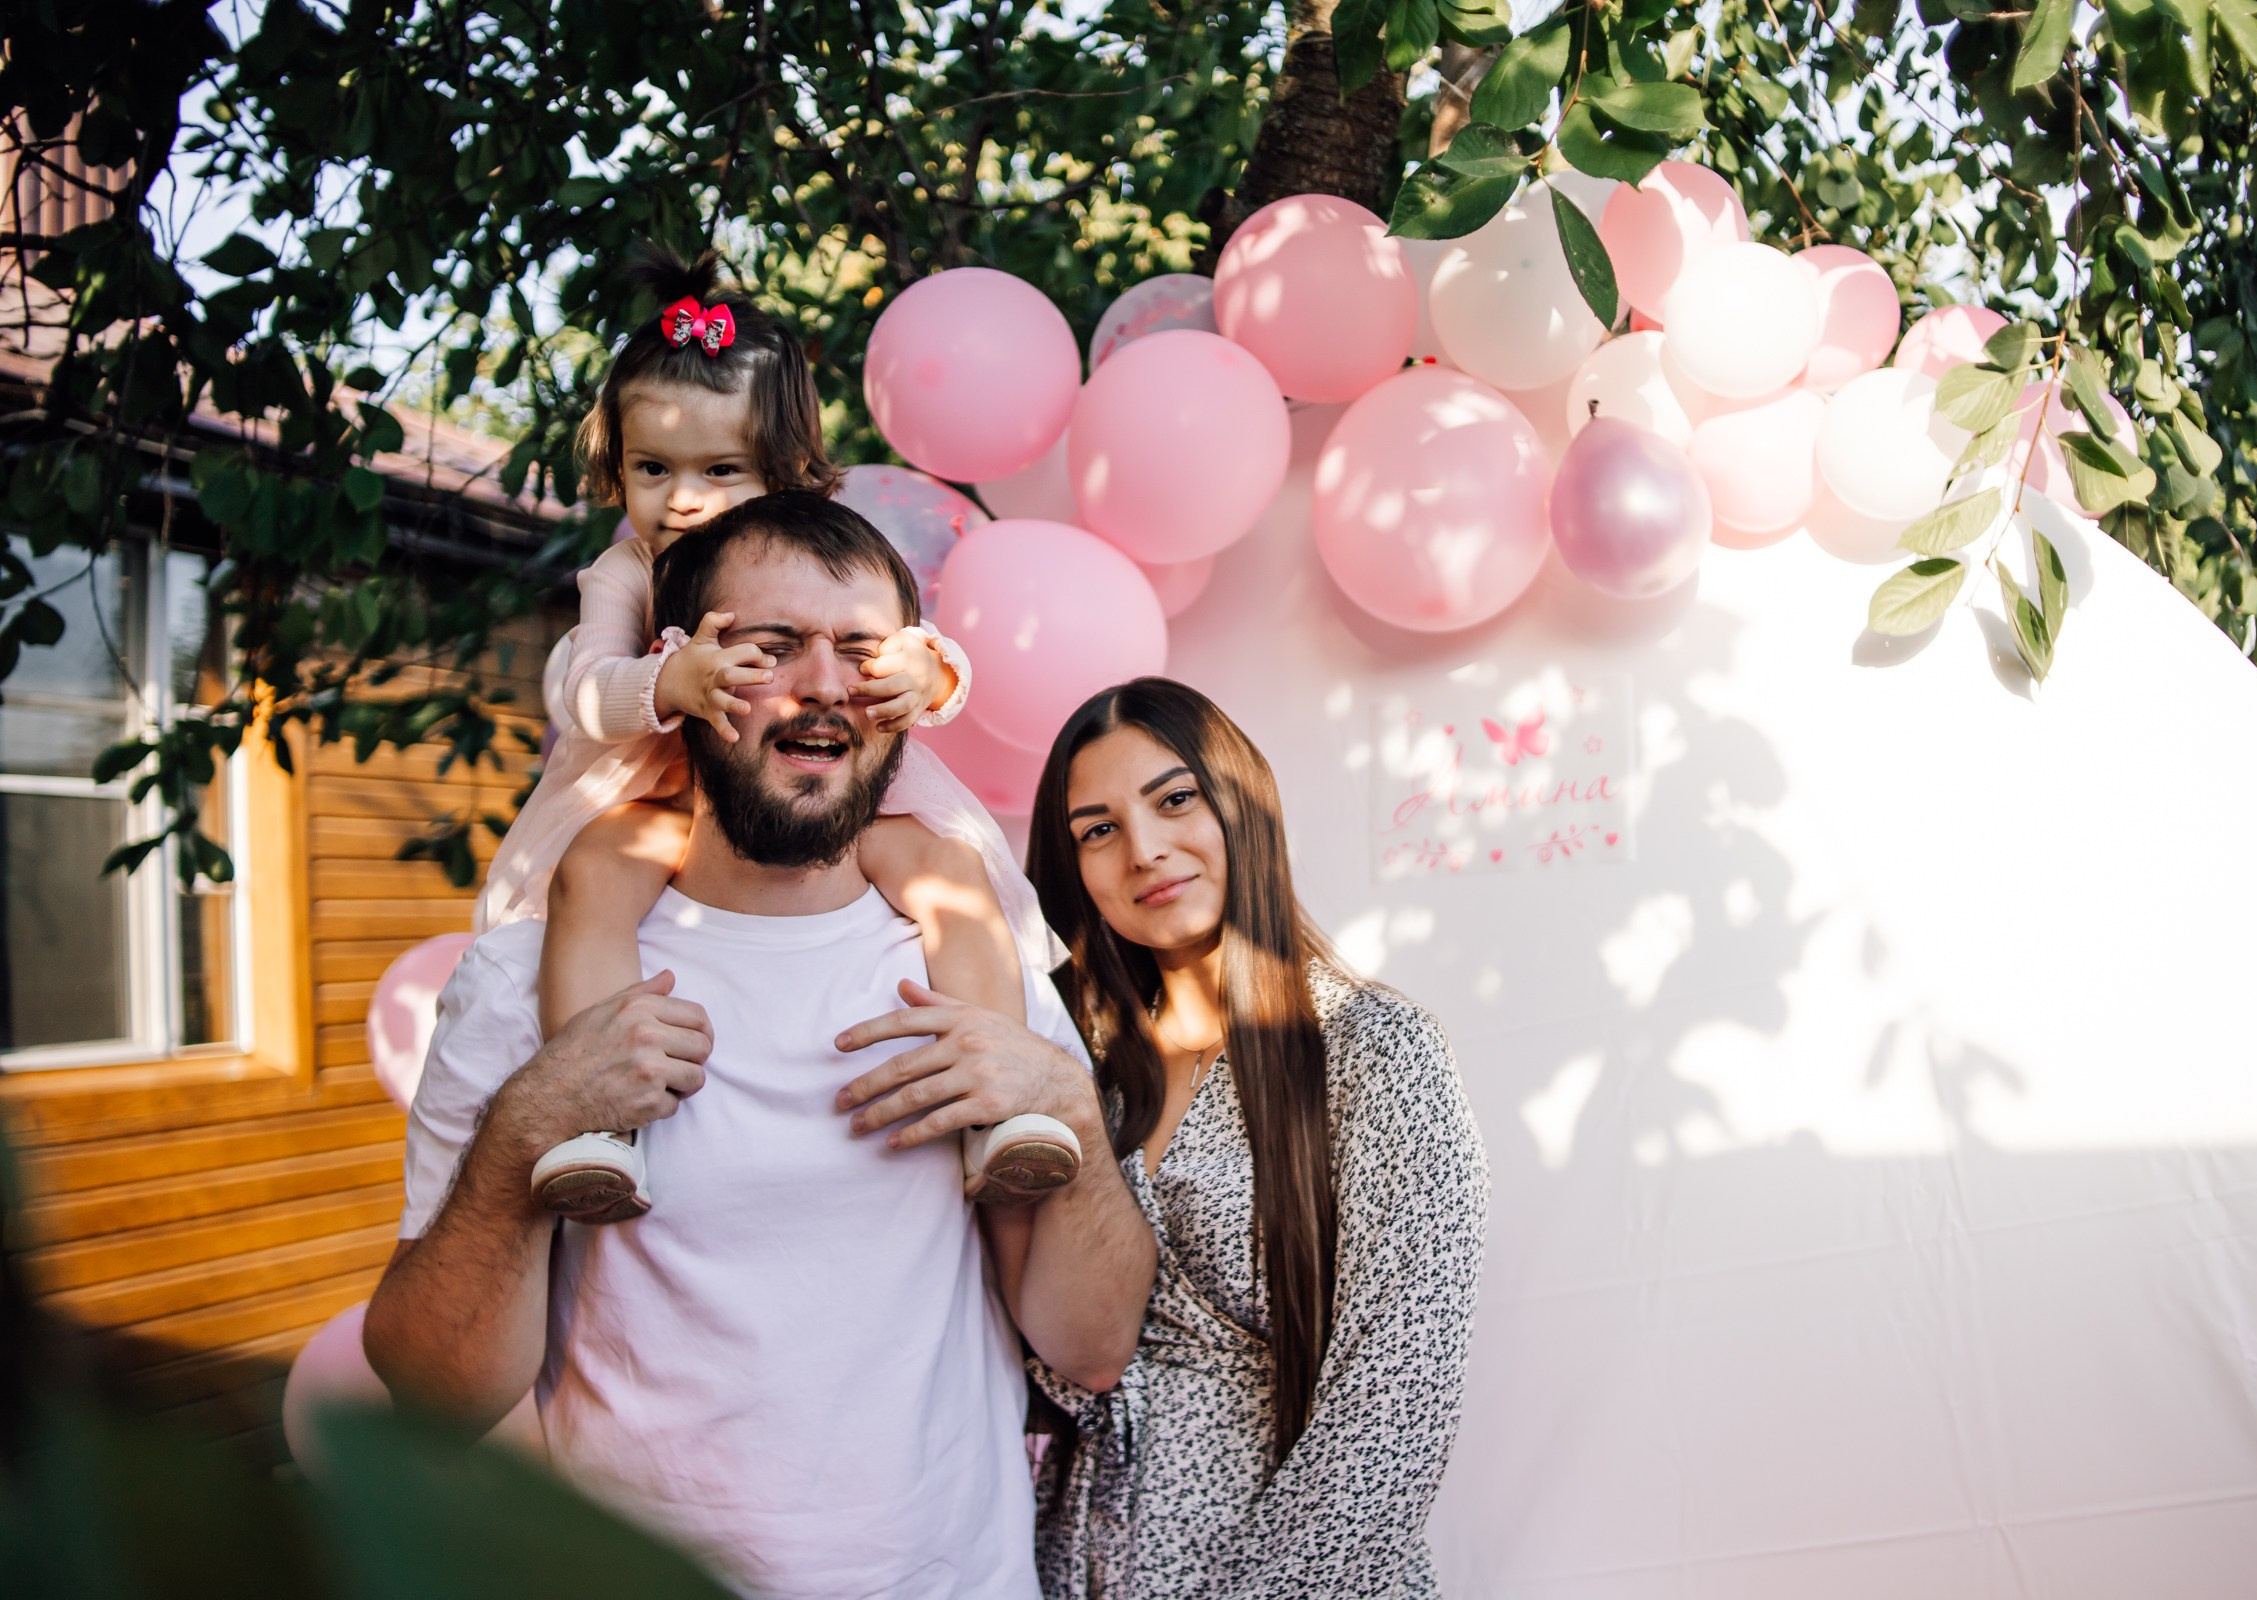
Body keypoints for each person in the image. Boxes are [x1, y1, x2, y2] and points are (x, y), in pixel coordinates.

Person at [364, 494, 1156, 1600]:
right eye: (772, 647)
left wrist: (1070, 1112)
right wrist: (521, 1142)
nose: (824, 684)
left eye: (860, 653)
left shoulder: (974, 958)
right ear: (681, 681)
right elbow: (428, 1393)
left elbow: (1094, 1345)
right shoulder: (522, 983)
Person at [850, 677, 1489, 1598]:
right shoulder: (1081, 1074)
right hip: (1074, 1565)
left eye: (1175, 799)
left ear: (1242, 802)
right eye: (1098, 829)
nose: (1144, 851)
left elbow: (1395, 1412)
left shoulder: (1375, 1049)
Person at [479, 246, 1077, 1225]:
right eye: (652, 468)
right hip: (657, 792)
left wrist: (932, 673)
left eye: (721, 470)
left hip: (797, 780)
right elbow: (580, 688)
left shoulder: (817, 554)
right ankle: (596, 1124)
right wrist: (665, 680)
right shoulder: (625, 572)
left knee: (945, 873)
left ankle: (995, 1105)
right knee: (593, 876)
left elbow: (912, 654)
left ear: (786, 473)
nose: (682, 499)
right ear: (614, 468)